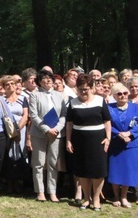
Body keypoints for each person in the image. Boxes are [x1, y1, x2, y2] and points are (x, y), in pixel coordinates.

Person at [66, 74, 111, 211]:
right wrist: (68, 140)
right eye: (80, 89)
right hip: (79, 140)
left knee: (98, 170)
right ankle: (86, 198)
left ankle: (96, 199)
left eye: (86, 89)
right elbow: (69, 123)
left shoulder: (100, 101)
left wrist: (108, 138)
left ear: (92, 88)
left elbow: (107, 121)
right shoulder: (73, 103)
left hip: (98, 140)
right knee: (83, 170)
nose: (83, 92)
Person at [27, 69, 68, 203]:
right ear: (39, 81)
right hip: (39, 133)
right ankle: (40, 192)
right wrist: (46, 129)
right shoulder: (34, 95)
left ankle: (52, 192)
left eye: (50, 78)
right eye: (44, 78)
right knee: (38, 163)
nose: (48, 80)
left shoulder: (59, 95)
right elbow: (33, 115)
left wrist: (57, 128)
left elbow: (64, 114)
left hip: (56, 133)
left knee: (53, 163)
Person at [107, 83, 138, 208]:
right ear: (114, 96)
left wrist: (130, 133)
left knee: (127, 170)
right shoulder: (108, 108)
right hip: (115, 143)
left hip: (131, 143)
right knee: (115, 171)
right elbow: (106, 124)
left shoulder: (135, 107)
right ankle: (115, 196)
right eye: (119, 94)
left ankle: (124, 197)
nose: (123, 96)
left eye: (125, 93)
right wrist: (118, 134)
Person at [1, 75, 29, 194]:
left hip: (20, 130)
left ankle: (19, 182)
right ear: (4, 87)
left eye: (12, 83)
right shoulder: (1, 100)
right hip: (6, 131)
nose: (10, 86)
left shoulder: (23, 99)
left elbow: (25, 115)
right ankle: (9, 183)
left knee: (20, 154)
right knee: (8, 156)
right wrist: (11, 131)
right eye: (7, 84)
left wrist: (17, 130)